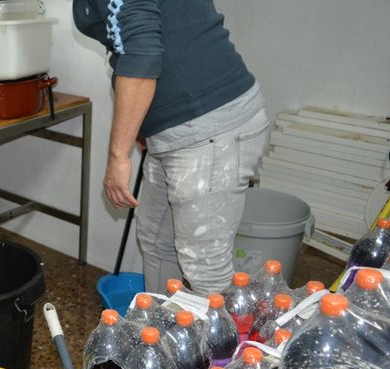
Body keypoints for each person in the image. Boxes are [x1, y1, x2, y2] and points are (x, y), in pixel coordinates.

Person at [73, 0, 269, 295]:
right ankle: (162, 333)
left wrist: (118, 157)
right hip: (174, 128)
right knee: (156, 241)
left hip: (209, 123)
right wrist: (143, 124)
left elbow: (141, 52)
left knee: (205, 270)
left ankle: (217, 341)